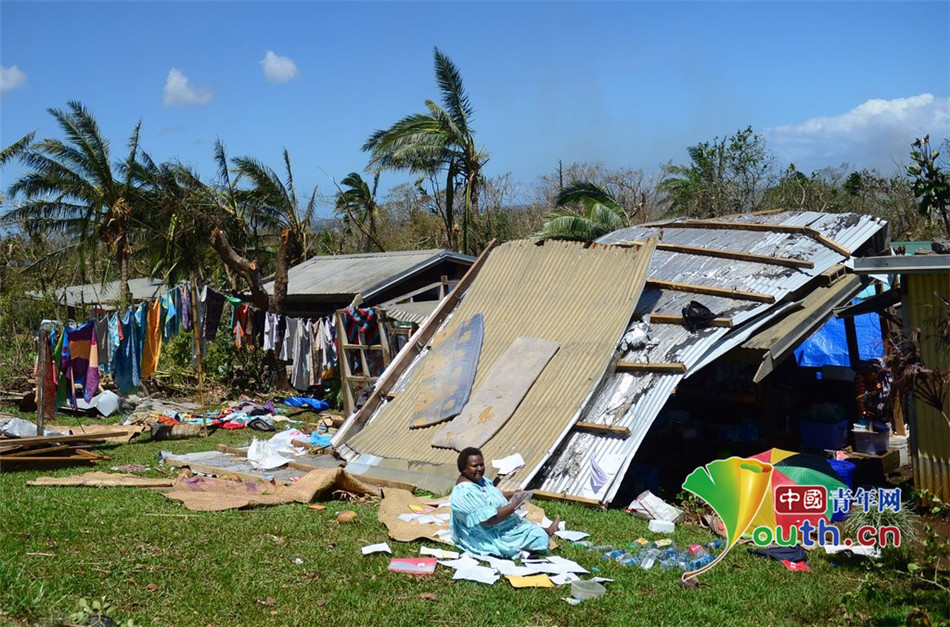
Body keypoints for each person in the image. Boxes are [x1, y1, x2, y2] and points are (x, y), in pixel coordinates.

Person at [449, 447, 559, 558]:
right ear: (463, 468)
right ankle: (542, 535)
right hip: (486, 533)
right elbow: (489, 520)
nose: (479, 468)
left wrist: (512, 494)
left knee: (528, 527)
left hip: (499, 524)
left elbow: (491, 495)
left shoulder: (479, 481)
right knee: (538, 537)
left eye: (481, 465)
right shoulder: (465, 492)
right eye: (474, 466)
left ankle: (544, 531)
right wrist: (513, 506)